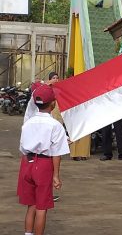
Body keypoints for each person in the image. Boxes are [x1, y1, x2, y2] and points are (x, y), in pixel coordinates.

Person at [17, 84, 70, 235]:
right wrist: (56, 176)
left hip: (27, 163)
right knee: (42, 208)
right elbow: (56, 153)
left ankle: (28, 233)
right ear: (53, 104)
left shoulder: (28, 123)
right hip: (43, 165)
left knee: (31, 205)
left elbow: (23, 147)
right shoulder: (55, 125)